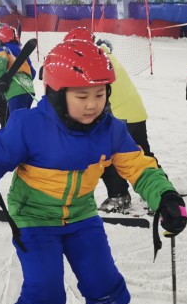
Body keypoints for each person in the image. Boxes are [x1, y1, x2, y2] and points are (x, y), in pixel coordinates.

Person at [0, 39, 187, 304]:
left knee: (103, 278)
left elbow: (139, 166)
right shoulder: (29, 125)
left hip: (81, 214)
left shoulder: (111, 129)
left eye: (100, 94)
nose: (92, 104)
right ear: (56, 93)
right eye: (81, 95)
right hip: (34, 217)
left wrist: (164, 196)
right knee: (45, 290)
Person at [62, 26, 154, 213]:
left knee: (109, 158)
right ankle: (155, 195)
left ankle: (119, 196)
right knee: (142, 156)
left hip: (120, 117)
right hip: (134, 113)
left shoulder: (94, 62)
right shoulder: (103, 56)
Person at [0, 23, 36, 117]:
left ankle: (16, 131)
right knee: (23, 118)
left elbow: (1, 61)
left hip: (15, 91)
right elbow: (33, 72)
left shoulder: (2, 49)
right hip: (29, 91)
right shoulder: (21, 52)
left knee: (17, 120)